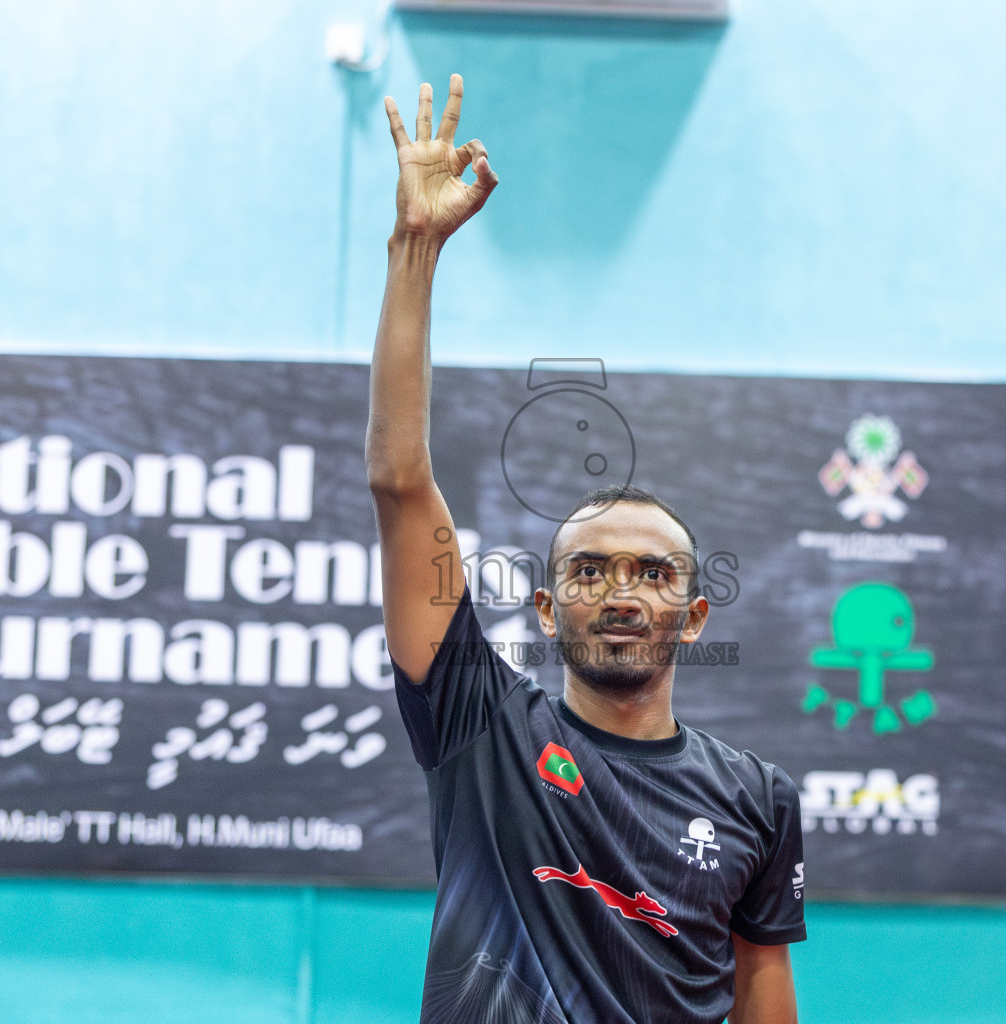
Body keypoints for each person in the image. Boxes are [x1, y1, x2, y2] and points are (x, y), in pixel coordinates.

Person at [367, 74, 806, 1024]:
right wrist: (416, 247)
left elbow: (763, 993)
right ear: (543, 606)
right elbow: (402, 482)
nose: (620, 592)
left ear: (693, 616)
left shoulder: (756, 798)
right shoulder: (478, 724)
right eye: (589, 568)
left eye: (653, 573)